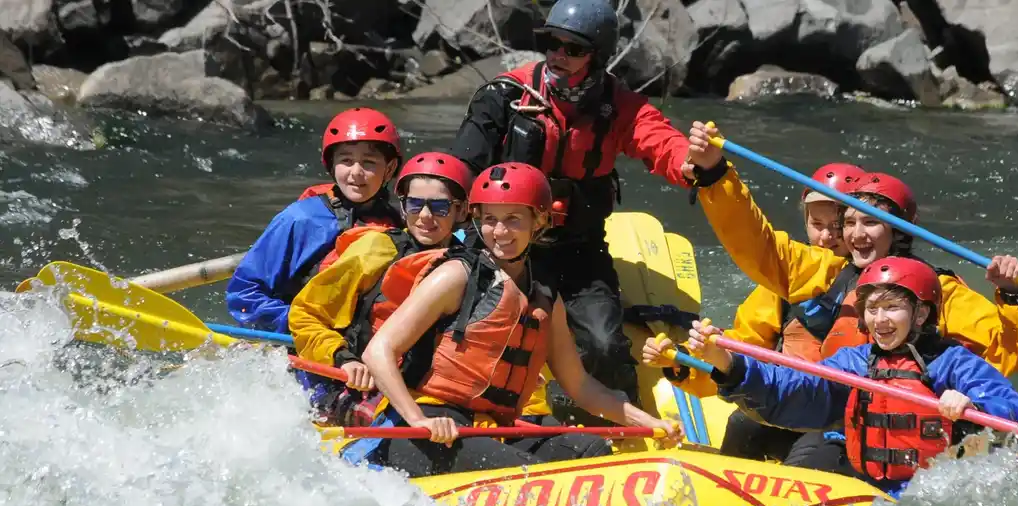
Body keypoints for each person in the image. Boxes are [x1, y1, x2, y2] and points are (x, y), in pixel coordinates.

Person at [359, 162, 679, 476]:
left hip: (494, 429)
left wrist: (647, 421)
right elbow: (378, 351)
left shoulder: (544, 295)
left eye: (513, 219)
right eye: (489, 220)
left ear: (538, 222)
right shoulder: (455, 276)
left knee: (590, 450)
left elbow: (580, 385)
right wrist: (417, 419)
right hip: (430, 430)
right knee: (535, 476)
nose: (499, 232)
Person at [449, 0, 692, 403]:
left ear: (597, 56)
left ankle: (617, 426)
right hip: (502, 244)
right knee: (476, 332)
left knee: (603, 346)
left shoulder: (618, 106)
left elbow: (660, 141)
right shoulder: (504, 94)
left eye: (574, 48)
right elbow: (462, 166)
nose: (559, 55)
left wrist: (691, 162)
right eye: (552, 43)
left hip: (579, 250)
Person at [682, 121, 1018, 376]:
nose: (856, 234)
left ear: (898, 231)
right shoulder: (824, 271)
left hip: (881, 423)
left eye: (870, 223)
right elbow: (756, 243)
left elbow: (1005, 357)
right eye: (848, 223)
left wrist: (1013, 296)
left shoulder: (939, 290)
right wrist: (714, 175)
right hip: (808, 404)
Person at [687, 257, 1018, 497]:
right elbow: (799, 388)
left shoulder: (953, 363)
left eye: (892, 307)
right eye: (872, 309)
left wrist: (972, 407)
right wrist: (728, 363)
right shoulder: (855, 362)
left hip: (930, 491)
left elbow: (1015, 413)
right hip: (865, 484)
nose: (880, 319)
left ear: (921, 313)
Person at [640, 162, 865, 461]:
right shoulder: (789, 282)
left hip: (840, 419)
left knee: (810, 455)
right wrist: (682, 362)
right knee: (743, 423)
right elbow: (744, 346)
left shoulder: (887, 288)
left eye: (837, 227)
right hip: (787, 402)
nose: (825, 238)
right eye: (817, 225)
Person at [287, 151, 474, 425]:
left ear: (460, 210)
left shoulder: (473, 264)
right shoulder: (376, 249)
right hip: (360, 385)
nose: (424, 216)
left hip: (432, 395)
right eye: (414, 204)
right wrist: (343, 358)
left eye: (440, 207)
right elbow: (306, 315)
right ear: (403, 205)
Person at [227, 107, 403, 334]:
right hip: (305, 341)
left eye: (369, 162)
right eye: (346, 160)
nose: (356, 172)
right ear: (332, 165)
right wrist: (303, 326)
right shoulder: (301, 218)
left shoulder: (397, 223)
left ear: (389, 169)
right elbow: (244, 295)